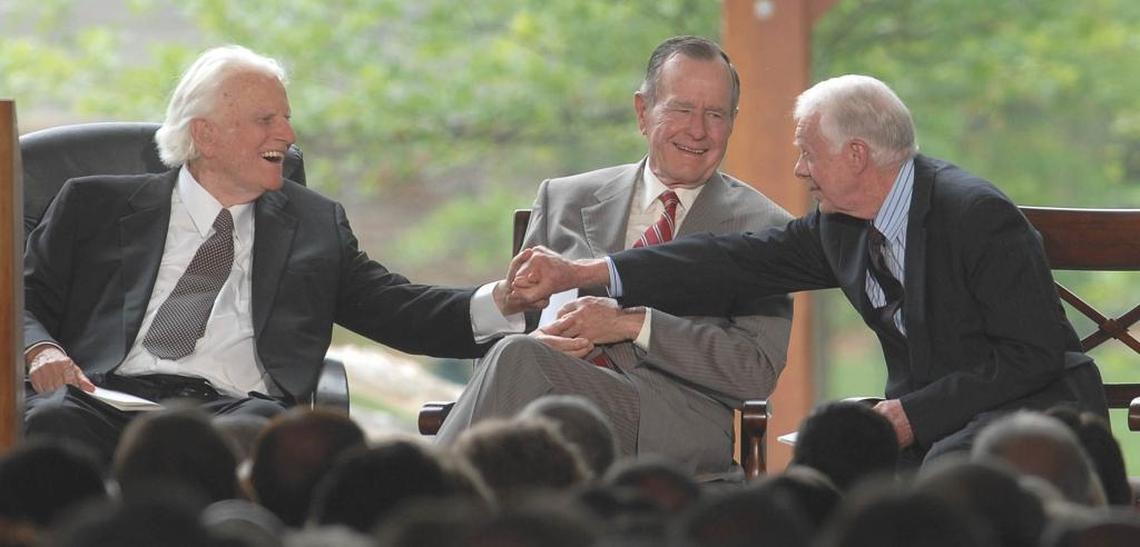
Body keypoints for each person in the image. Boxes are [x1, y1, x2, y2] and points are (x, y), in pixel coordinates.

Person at [511, 74, 1108, 466]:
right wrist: (587, 272)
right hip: (937, 420)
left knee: (937, 478)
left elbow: (1032, 355)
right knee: (819, 465)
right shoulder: (840, 224)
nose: (799, 169)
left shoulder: (976, 215)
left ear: (857, 155)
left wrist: (913, 416)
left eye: (808, 152)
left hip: (1031, 413)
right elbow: (729, 261)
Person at [22, 44, 533, 462]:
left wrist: (504, 300)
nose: (287, 135)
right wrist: (41, 351)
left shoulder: (314, 226)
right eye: (266, 119)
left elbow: (397, 307)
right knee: (51, 420)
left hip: (235, 411)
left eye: (286, 119)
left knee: (262, 435)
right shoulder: (94, 205)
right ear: (205, 134)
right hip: (102, 398)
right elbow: (20, 300)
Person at [435, 35, 793, 475]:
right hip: (547, 404)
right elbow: (507, 326)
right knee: (520, 356)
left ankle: (429, 492)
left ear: (733, 122)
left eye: (715, 114)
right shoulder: (564, 198)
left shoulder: (764, 226)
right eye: (682, 109)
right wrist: (537, 340)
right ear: (643, 111)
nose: (698, 130)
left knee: (519, 360)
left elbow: (755, 372)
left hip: (671, 423)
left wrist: (633, 324)